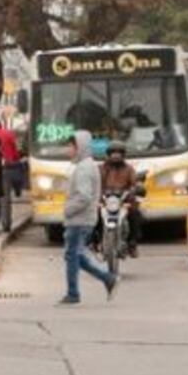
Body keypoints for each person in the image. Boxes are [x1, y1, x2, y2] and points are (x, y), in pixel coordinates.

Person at [59, 131, 118, 305]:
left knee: (72, 255)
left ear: (80, 148)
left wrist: (68, 210)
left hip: (79, 219)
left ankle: (73, 293)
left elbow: (84, 196)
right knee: (76, 256)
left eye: (70, 146)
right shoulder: (86, 165)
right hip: (82, 219)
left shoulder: (84, 168)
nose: (67, 150)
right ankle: (108, 278)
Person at [100, 141, 143, 258]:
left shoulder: (129, 169)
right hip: (105, 201)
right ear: (108, 155)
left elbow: (135, 183)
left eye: (119, 152)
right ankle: (95, 241)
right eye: (113, 152)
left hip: (124, 201)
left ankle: (132, 244)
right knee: (93, 214)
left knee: (136, 214)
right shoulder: (102, 168)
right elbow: (95, 183)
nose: (116, 155)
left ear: (123, 155)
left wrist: (137, 188)